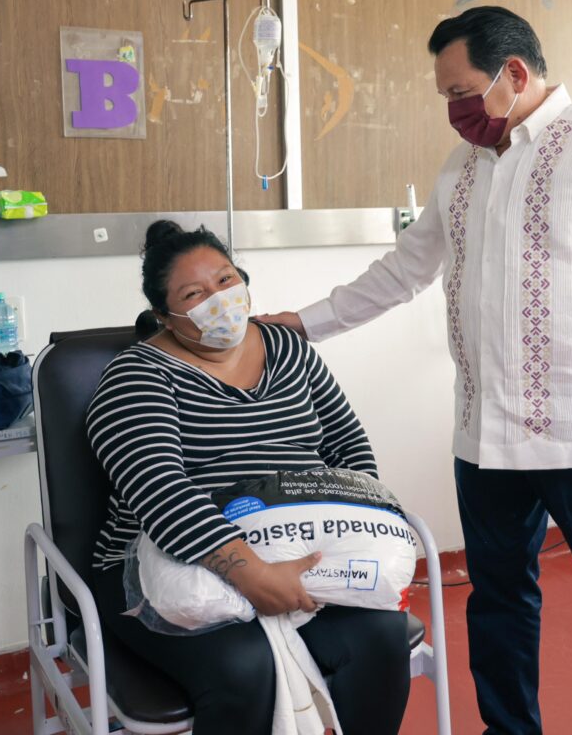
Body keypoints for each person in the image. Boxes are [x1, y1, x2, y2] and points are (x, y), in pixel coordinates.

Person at [261, 6, 572, 735]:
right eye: (446, 97)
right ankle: (509, 729)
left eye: (461, 92)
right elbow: (404, 271)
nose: (454, 111)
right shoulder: (461, 167)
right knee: (498, 600)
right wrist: (306, 323)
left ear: (514, 73)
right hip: (484, 440)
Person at [86, 220, 410, 735]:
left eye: (225, 280)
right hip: (164, 561)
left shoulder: (288, 350)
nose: (218, 299)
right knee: (244, 669)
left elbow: (348, 446)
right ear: (163, 316)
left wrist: (357, 534)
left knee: (379, 638)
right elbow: (159, 491)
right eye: (194, 293)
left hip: (301, 547)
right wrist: (253, 573)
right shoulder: (136, 377)